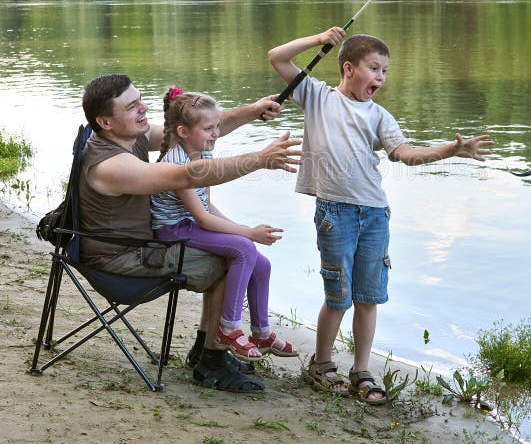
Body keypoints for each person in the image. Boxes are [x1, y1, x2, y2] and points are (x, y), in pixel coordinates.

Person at [268, 28, 494, 404]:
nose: (381, 78)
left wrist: (450, 151)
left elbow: (405, 154)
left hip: (374, 215)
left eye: (385, 71)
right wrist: (319, 38)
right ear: (348, 68)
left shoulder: (379, 116)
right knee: (338, 296)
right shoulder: (317, 97)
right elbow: (277, 56)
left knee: (369, 296)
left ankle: (362, 370)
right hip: (335, 213)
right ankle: (321, 366)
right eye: (374, 68)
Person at [78, 73, 301, 393]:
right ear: (105, 121)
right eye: (131, 106)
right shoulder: (110, 165)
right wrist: (259, 159)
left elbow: (195, 130)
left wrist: (253, 110)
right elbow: (188, 173)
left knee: (232, 249)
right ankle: (212, 360)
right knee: (229, 257)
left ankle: (204, 349)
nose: (142, 108)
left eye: (139, 99)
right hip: (119, 260)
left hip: (140, 244)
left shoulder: (130, 137)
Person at [150, 88, 298, 363]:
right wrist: (247, 234)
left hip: (191, 224)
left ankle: (262, 332)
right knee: (243, 248)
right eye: (209, 128)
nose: (216, 133)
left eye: (218, 126)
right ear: (183, 131)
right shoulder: (177, 164)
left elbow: (207, 208)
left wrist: (241, 228)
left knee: (261, 263)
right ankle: (228, 327)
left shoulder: (202, 156)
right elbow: (203, 219)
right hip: (174, 230)